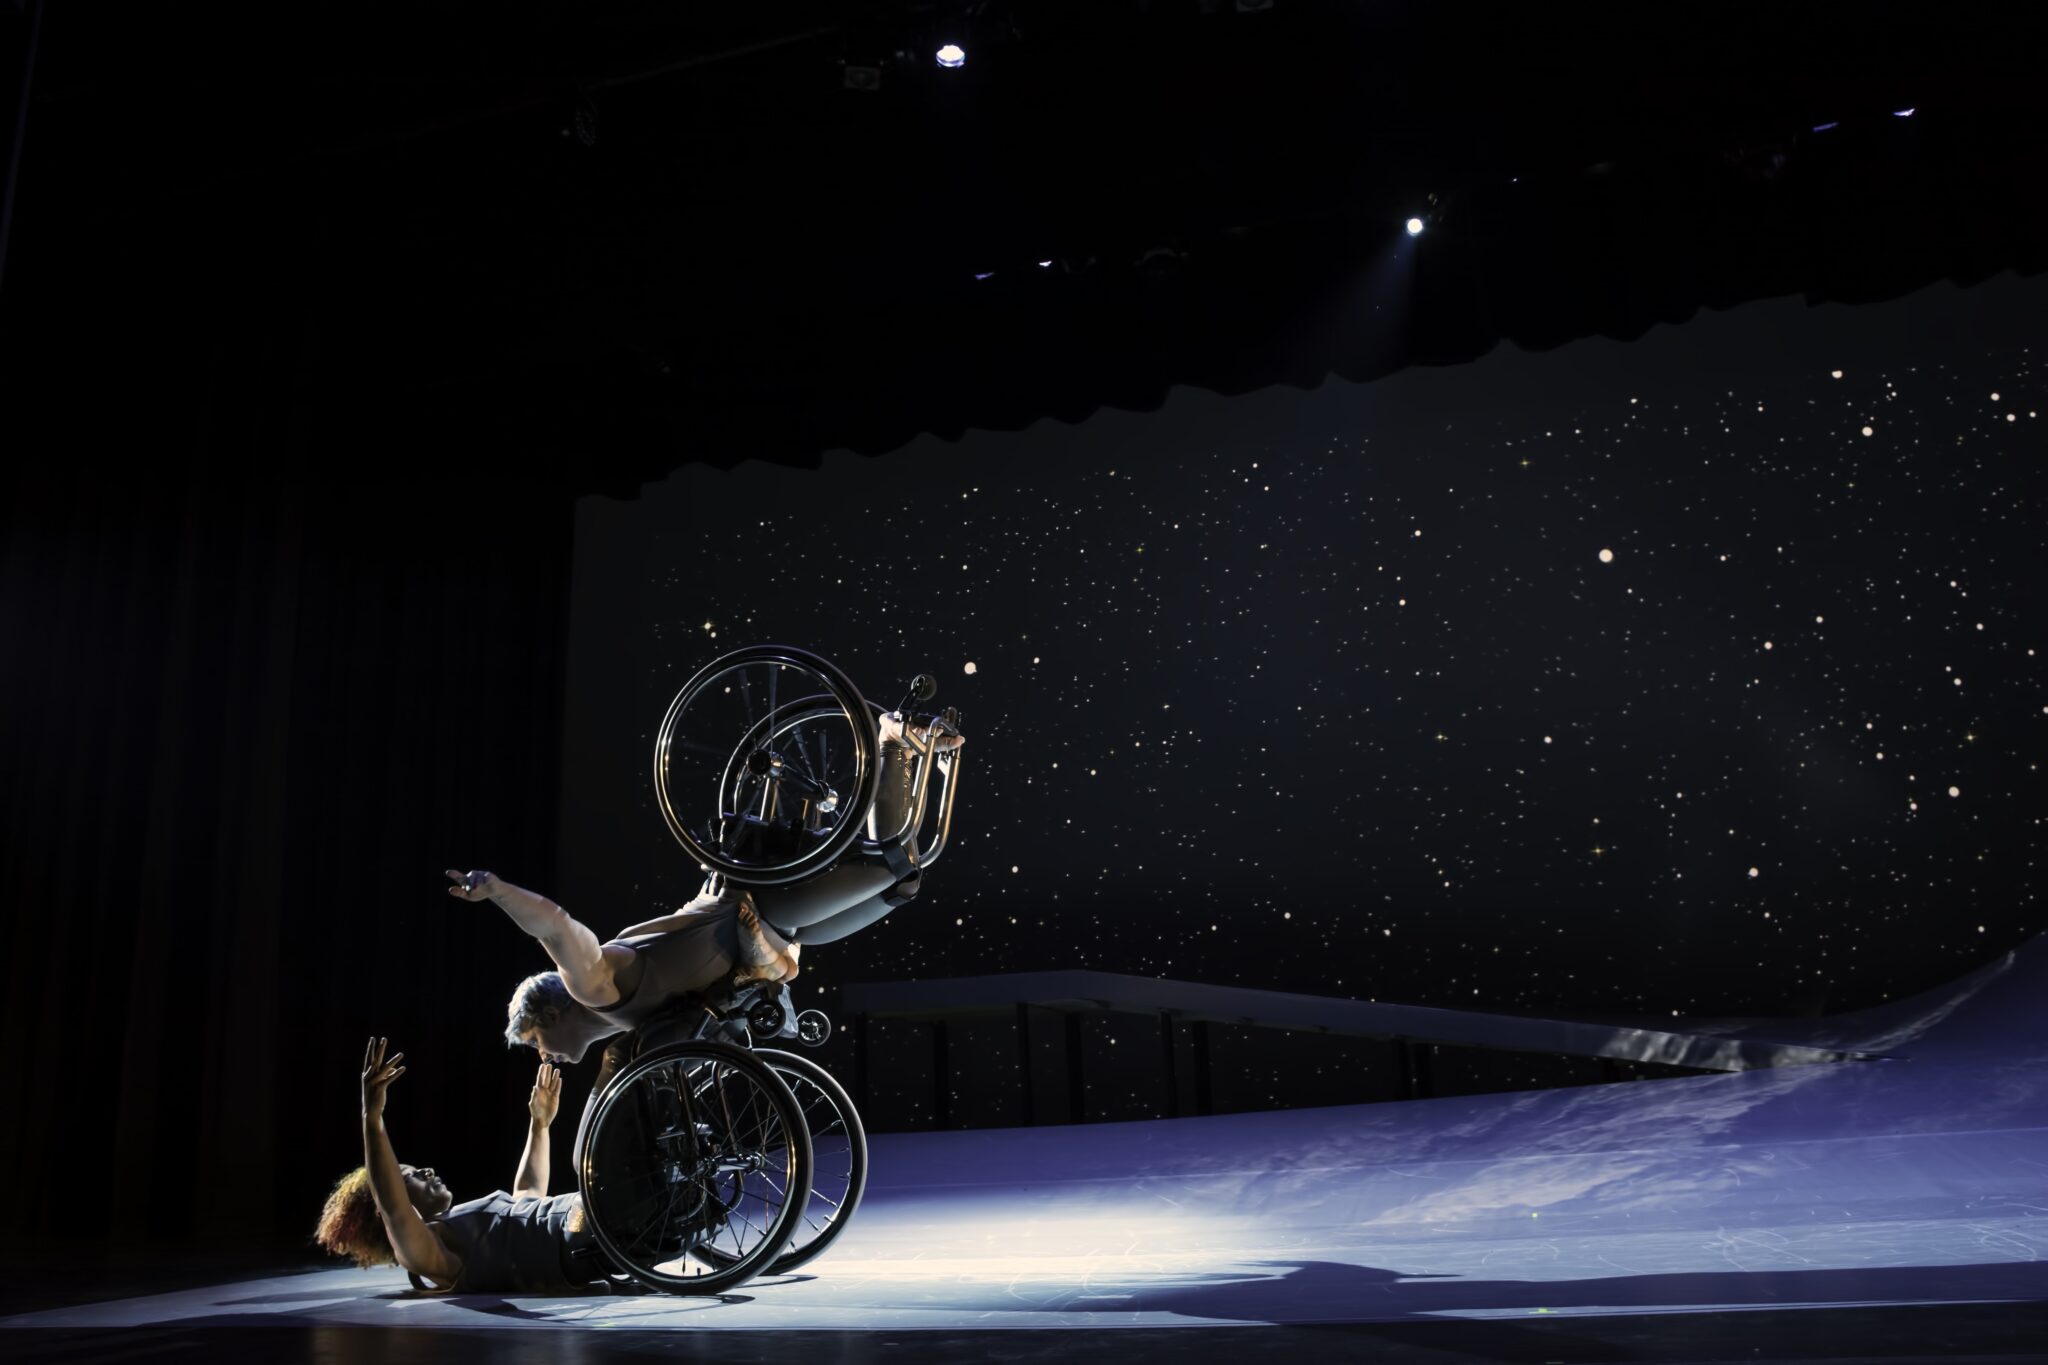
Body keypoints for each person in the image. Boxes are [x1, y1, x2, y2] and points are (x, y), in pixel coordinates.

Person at [457, 712, 964, 1068]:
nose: (544, 1056)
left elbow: (556, 925)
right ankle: (897, 749)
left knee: (891, 865)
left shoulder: (593, 987)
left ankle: (891, 740)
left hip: (754, 902)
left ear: (551, 1012)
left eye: (536, 1042)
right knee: (904, 884)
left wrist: (498, 890)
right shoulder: (631, 1029)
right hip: (782, 928)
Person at [314, 1037, 598, 1294]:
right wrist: (372, 1118)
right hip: (577, 1232)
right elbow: (393, 1205)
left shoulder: (461, 1225)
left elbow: (527, 1197)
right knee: (617, 1059)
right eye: (410, 1176)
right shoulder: (427, 1254)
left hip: (580, 1215)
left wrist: (539, 1125)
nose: (426, 1171)